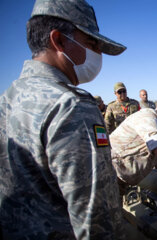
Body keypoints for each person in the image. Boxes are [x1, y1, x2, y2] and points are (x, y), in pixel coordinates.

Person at [0, 0, 126, 239]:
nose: (98, 54)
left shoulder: (7, 100)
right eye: (92, 43)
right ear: (58, 40)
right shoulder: (71, 105)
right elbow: (97, 218)